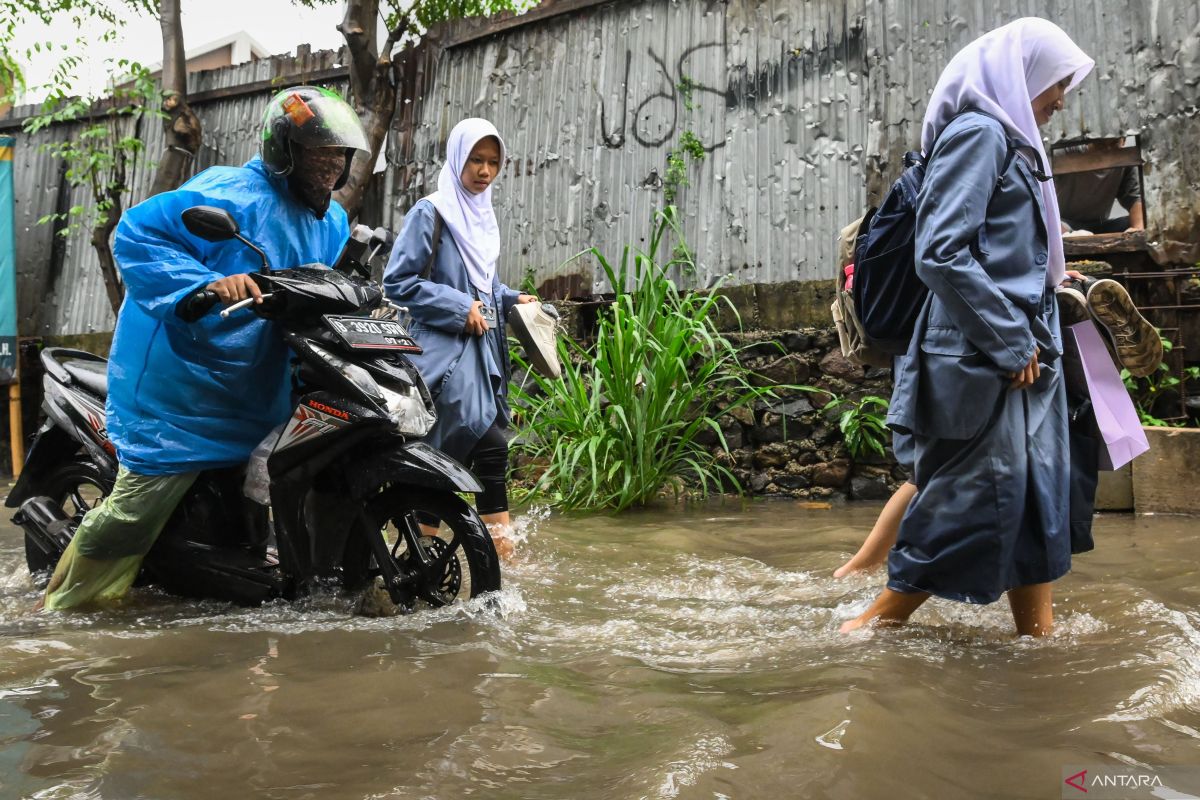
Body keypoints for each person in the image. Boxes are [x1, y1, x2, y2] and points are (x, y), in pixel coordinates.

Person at [39, 86, 369, 611]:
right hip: (187, 389)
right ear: (285, 149)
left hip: (260, 382)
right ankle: (63, 608)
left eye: (339, 155)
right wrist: (206, 285)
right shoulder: (228, 193)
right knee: (134, 512)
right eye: (320, 152)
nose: (332, 166)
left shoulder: (328, 219)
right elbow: (136, 235)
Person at [840, 19, 1094, 636]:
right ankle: (867, 630)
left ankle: (1039, 637)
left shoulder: (1012, 144)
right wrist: (1010, 340)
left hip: (1023, 354)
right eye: (1055, 83)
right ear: (1020, 75)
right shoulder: (978, 134)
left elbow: (1004, 252)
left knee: (1036, 500)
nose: (1061, 99)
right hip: (987, 357)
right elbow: (941, 252)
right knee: (972, 501)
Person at [383, 118, 536, 559]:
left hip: (482, 354)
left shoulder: (482, 217)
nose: (484, 171)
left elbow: (483, 283)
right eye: (475, 160)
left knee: (472, 451)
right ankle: (475, 560)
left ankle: (434, 558)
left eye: (493, 162)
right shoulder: (431, 212)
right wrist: (456, 307)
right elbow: (399, 282)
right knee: (479, 446)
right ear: (456, 158)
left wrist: (509, 298)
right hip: (442, 356)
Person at [1054, 138, 1144, 234]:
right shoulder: (1066, 152)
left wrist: (1137, 229)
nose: (1107, 150)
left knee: (1143, 220)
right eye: (1100, 144)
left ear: (1123, 141)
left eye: (1114, 143)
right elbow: (1043, 194)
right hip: (1065, 224)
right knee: (1049, 224)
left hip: (1101, 225)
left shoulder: (1125, 160)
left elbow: (1135, 199)